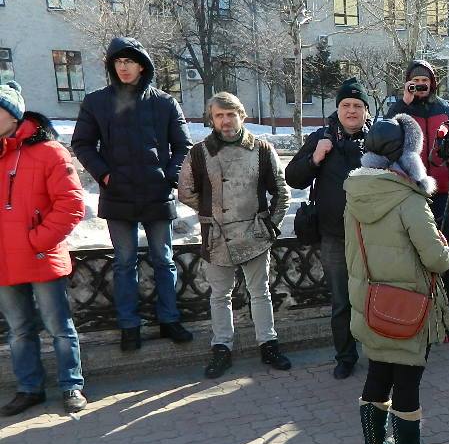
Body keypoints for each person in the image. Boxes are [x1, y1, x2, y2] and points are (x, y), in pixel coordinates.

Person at [345, 114, 449, 444]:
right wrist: (448, 251)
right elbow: (437, 259)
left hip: (368, 299)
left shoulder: (354, 194)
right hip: (408, 303)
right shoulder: (410, 199)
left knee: (378, 372)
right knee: (407, 376)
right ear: (408, 156)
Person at [71, 37, 193, 352]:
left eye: (130, 61)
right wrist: (105, 174)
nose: (124, 67)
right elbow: (82, 143)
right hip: (118, 194)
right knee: (124, 262)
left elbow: (183, 146)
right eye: (118, 61)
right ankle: (129, 325)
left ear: (142, 65)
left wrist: (170, 176)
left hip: (157, 194)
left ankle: (169, 319)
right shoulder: (97, 102)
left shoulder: (164, 102)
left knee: (163, 259)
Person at [177, 93, 291, 379]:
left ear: (242, 115)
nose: (225, 120)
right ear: (212, 119)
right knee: (220, 295)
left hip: (254, 234)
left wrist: (270, 225)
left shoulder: (262, 149)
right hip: (216, 236)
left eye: (230, 114)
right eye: (219, 115)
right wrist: (211, 213)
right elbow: (186, 192)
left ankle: (268, 344)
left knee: (260, 292)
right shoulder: (199, 152)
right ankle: (222, 348)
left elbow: (281, 191)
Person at [0, 82, 88, 416]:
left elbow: (71, 204)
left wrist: (37, 241)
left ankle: (71, 385)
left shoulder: (50, 151)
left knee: (59, 328)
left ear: (13, 115)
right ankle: (29, 389)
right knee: (19, 330)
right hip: (4, 260)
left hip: (41, 256)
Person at [286, 77, 370, 380]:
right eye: (346, 105)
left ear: (365, 110)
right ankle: (345, 357)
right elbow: (293, 177)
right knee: (342, 301)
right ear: (338, 108)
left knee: (374, 297)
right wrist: (315, 158)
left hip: (371, 235)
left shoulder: (377, 140)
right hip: (334, 235)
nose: (351, 110)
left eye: (357, 105)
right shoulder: (321, 137)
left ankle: (378, 352)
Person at [386, 59, 449, 307]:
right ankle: (423, 295)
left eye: (425, 81)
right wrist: (403, 103)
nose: (421, 85)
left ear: (433, 83)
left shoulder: (447, 109)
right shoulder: (400, 109)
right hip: (412, 191)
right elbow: (385, 134)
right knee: (416, 246)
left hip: (446, 190)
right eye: (416, 82)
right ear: (408, 84)